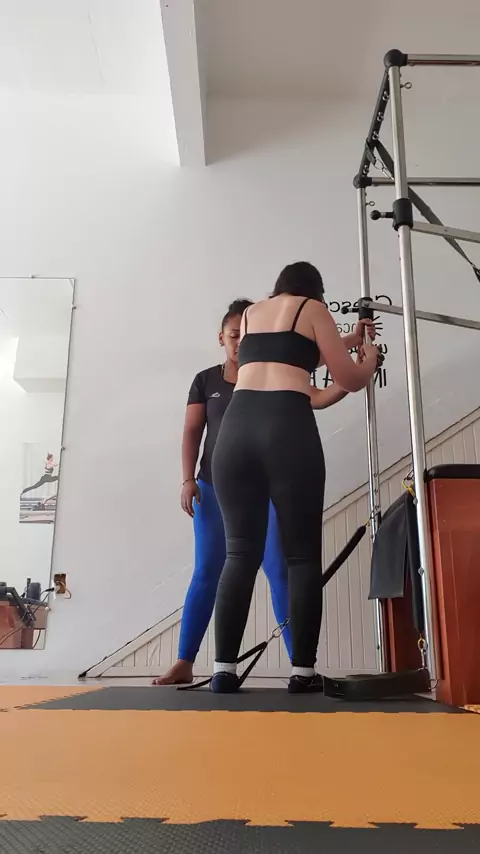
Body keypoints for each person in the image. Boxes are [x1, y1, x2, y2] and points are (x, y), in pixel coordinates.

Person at [210, 262, 380, 694]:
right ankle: (303, 672)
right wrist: (369, 361)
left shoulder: (252, 314)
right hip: (286, 430)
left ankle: (223, 670)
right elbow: (347, 377)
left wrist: (349, 339)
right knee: (301, 557)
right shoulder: (312, 308)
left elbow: (293, 354)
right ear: (315, 291)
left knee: (238, 555)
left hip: (235, 432)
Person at [153, 300, 292, 685]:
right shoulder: (205, 381)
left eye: (249, 336)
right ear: (221, 338)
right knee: (207, 571)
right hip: (213, 489)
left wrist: (352, 342)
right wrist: (187, 480)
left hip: (265, 490)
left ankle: (301, 665)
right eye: (234, 336)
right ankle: (184, 662)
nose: (241, 343)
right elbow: (192, 432)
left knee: (278, 569)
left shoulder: (270, 376)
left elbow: (314, 361)